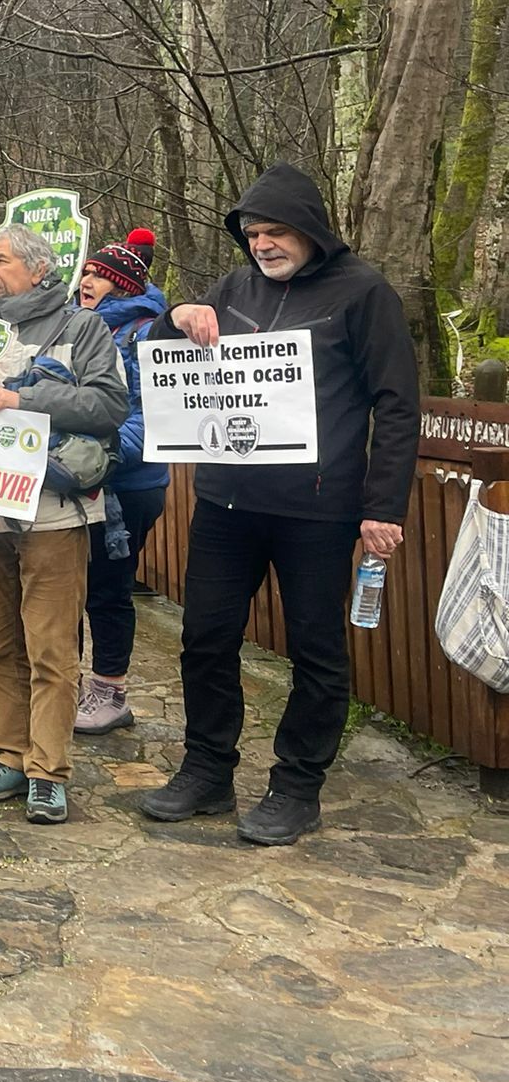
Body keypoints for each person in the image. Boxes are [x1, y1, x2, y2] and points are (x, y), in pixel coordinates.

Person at [140, 163, 420, 846]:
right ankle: (207, 770)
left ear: (310, 230)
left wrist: (383, 505)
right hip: (227, 499)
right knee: (205, 638)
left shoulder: (363, 292)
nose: (263, 244)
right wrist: (175, 316)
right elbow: (161, 358)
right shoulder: (234, 287)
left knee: (317, 651)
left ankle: (298, 785)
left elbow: (398, 404)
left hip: (318, 509)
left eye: (275, 232)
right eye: (253, 233)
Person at [0, 223, 127, 825]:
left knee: (50, 646)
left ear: (38, 268)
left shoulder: (84, 328)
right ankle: (10, 755)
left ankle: (49, 770)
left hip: (52, 513)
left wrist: (30, 400)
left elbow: (109, 406)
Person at [73, 234, 169, 735]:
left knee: (109, 591)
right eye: (85, 273)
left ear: (124, 283)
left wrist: (100, 458)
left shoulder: (149, 332)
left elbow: (152, 412)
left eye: (99, 275)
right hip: (67, 479)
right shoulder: (72, 326)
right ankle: (63, 687)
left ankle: (110, 692)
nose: (86, 281)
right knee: (64, 590)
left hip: (127, 485)